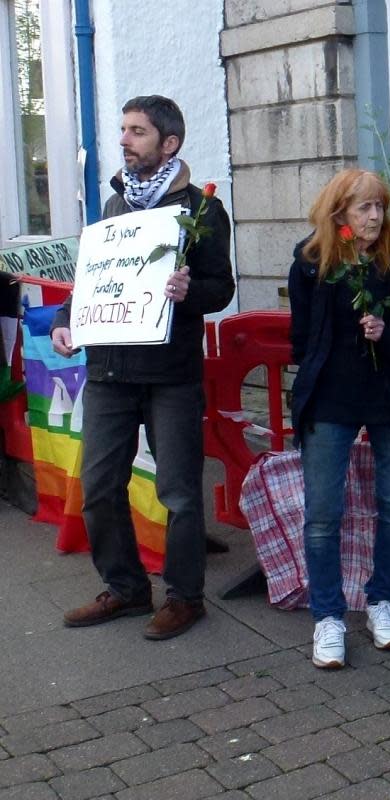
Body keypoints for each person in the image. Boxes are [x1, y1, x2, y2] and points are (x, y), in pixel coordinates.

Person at [53, 95, 234, 639]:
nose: (125, 141)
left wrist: (189, 290)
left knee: (178, 492)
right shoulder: (114, 207)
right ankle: (127, 589)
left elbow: (221, 289)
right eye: (124, 130)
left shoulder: (201, 211)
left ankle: (185, 598)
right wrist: (66, 319)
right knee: (99, 486)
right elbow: (93, 279)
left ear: (169, 143)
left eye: (137, 132)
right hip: (109, 370)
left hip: (170, 375)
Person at [288, 168, 390, 669]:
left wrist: (383, 335)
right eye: (364, 208)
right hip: (332, 396)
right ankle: (328, 616)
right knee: (323, 512)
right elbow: (300, 341)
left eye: (380, 207)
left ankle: (382, 600)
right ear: (340, 214)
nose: (375, 217)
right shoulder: (312, 261)